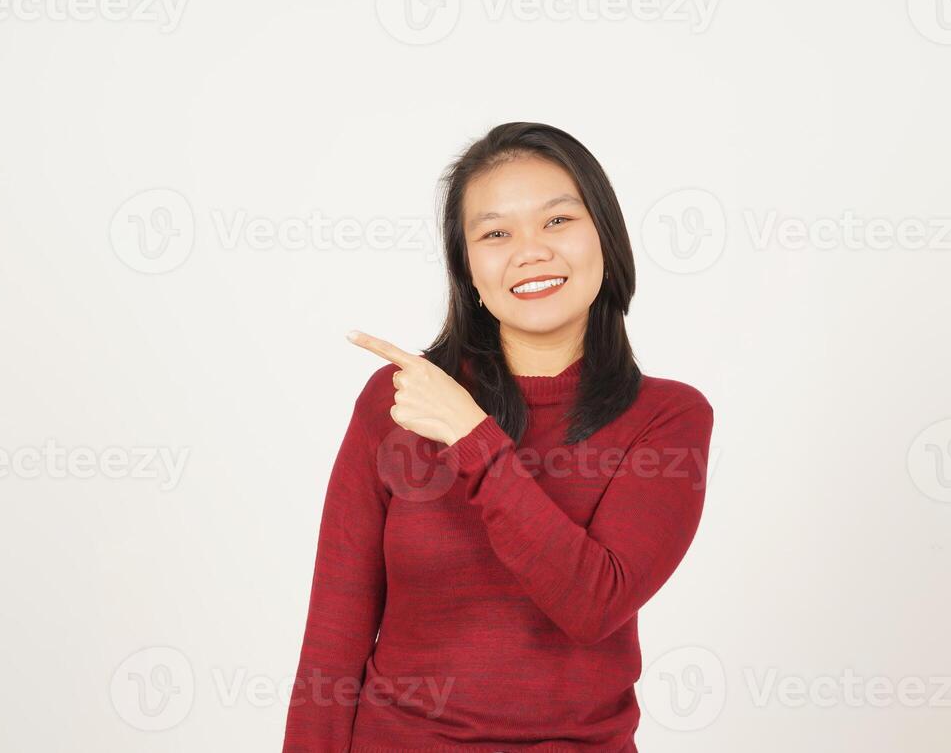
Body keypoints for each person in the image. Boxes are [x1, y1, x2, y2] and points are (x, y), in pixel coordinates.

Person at [283, 122, 715, 752]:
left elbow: (593, 604)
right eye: (495, 233)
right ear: (468, 269)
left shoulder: (667, 419)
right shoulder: (399, 401)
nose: (530, 251)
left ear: (606, 239)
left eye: (558, 221)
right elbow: (334, 634)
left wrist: (470, 434)